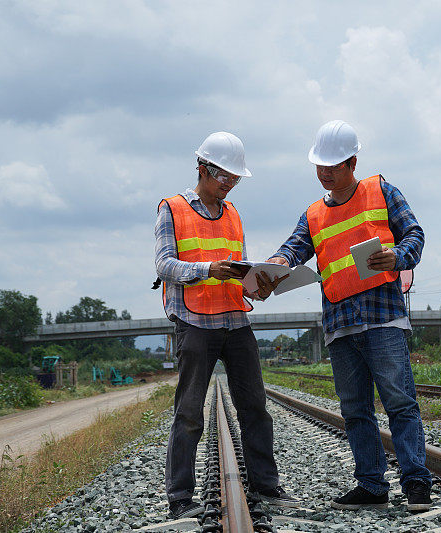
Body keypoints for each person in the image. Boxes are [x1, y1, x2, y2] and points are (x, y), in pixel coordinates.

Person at [266, 120, 432, 511]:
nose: (324, 174)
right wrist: (275, 264)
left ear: (353, 162)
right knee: (355, 411)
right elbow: (293, 248)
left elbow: (415, 235)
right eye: (319, 167)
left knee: (400, 404)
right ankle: (372, 486)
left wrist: (398, 256)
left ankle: (416, 485)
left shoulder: (382, 191)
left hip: (382, 319)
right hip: (340, 326)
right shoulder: (312, 214)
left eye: (333, 167)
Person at [154, 131, 298, 519]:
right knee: (188, 412)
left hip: (235, 320)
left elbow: (240, 267)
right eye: (225, 178)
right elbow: (164, 264)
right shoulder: (172, 208)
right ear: (203, 169)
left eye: (235, 179)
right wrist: (207, 269)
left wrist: (258, 285)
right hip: (195, 321)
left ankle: (267, 487)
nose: (230, 185)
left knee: (254, 407)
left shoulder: (233, 213)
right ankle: (180, 498)